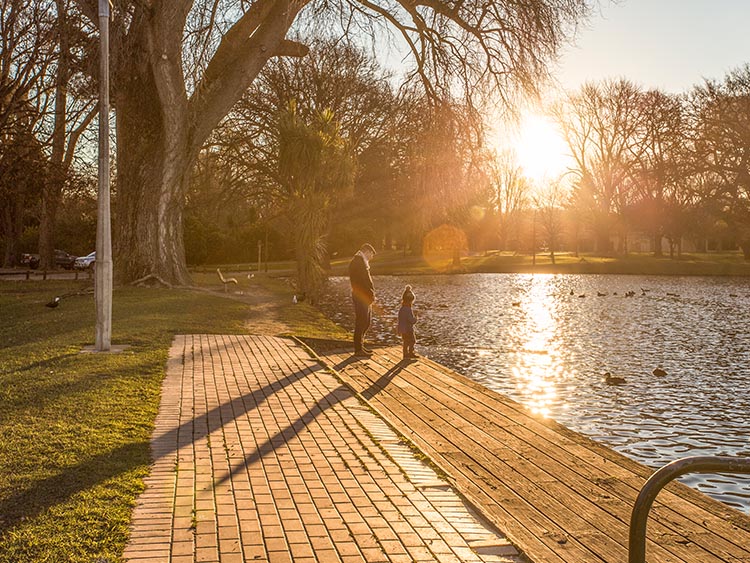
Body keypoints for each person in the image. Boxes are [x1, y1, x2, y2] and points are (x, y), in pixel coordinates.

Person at [348, 243, 376, 356]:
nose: (372, 258)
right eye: (372, 255)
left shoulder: (362, 262)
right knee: (361, 321)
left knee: (366, 321)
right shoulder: (358, 262)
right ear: (367, 252)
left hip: (365, 296)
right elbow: (362, 282)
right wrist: (369, 294)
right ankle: (358, 349)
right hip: (361, 296)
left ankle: (360, 346)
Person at [397, 285, 418, 360]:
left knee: (405, 341)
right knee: (412, 340)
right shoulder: (408, 309)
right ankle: (411, 353)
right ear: (410, 301)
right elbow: (411, 320)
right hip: (408, 329)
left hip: (402, 329)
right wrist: (415, 318)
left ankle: (405, 353)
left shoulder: (402, 309)